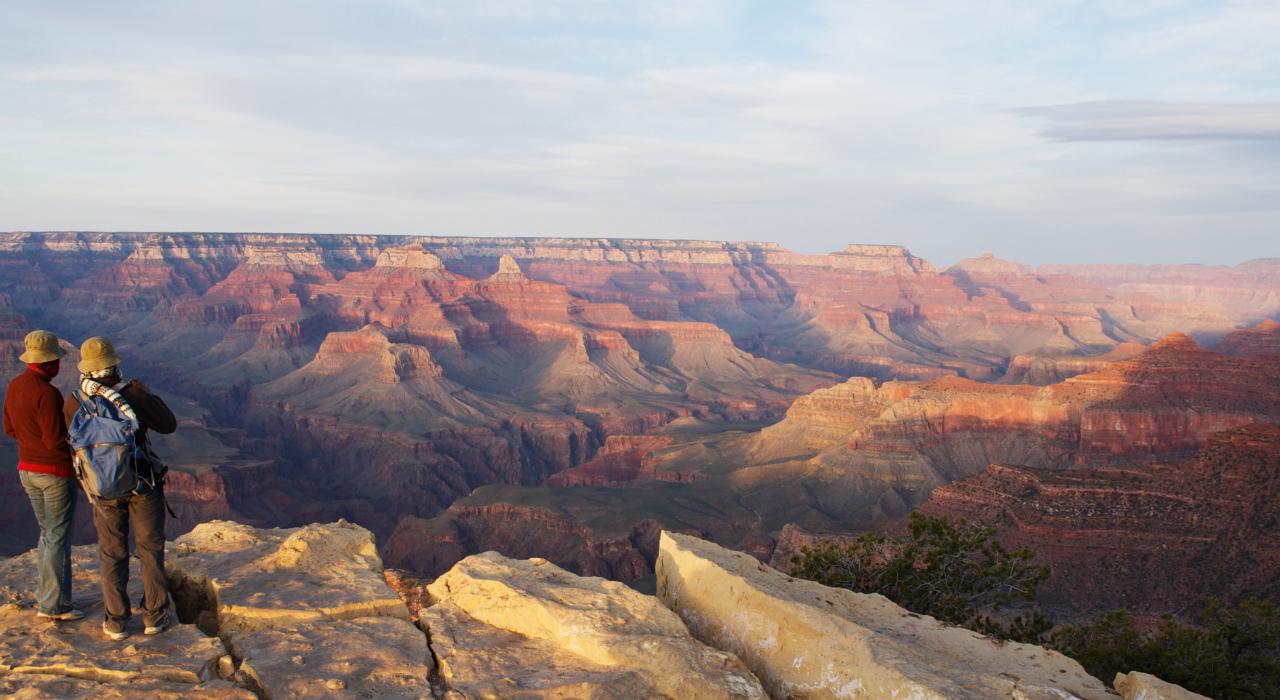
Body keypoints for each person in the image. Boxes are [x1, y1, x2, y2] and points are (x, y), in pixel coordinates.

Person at [63, 336, 177, 641]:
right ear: (113, 365)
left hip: (103, 490)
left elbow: (72, 446)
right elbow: (168, 424)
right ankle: (155, 616)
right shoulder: (131, 395)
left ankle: (115, 621)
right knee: (150, 550)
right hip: (142, 485)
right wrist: (145, 393)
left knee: (112, 554)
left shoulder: (74, 400)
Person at [3, 330, 84, 622]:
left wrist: (30, 440)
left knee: (47, 535)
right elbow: (54, 440)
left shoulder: (14, 385)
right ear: (49, 363)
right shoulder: (48, 393)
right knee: (58, 537)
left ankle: (49, 598)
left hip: (27, 470)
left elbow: (9, 429)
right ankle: (55, 606)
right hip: (53, 473)